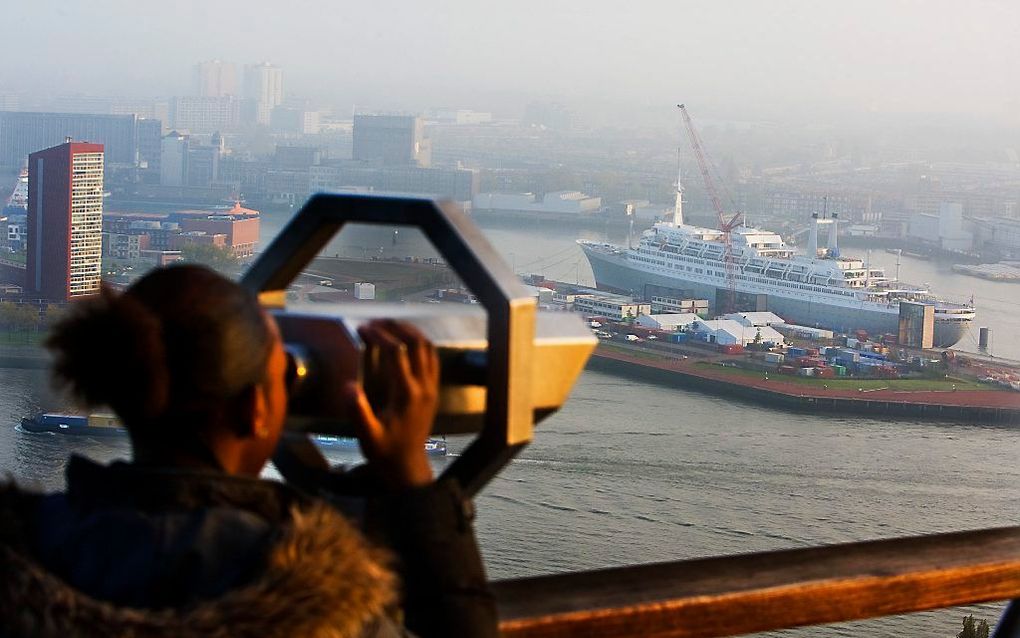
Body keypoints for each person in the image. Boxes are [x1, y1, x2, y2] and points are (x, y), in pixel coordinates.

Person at [0, 265, 498, 638]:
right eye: (284, 371)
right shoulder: (315, 603)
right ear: (257, 408)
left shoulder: (31, 548)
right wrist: (412, 480)